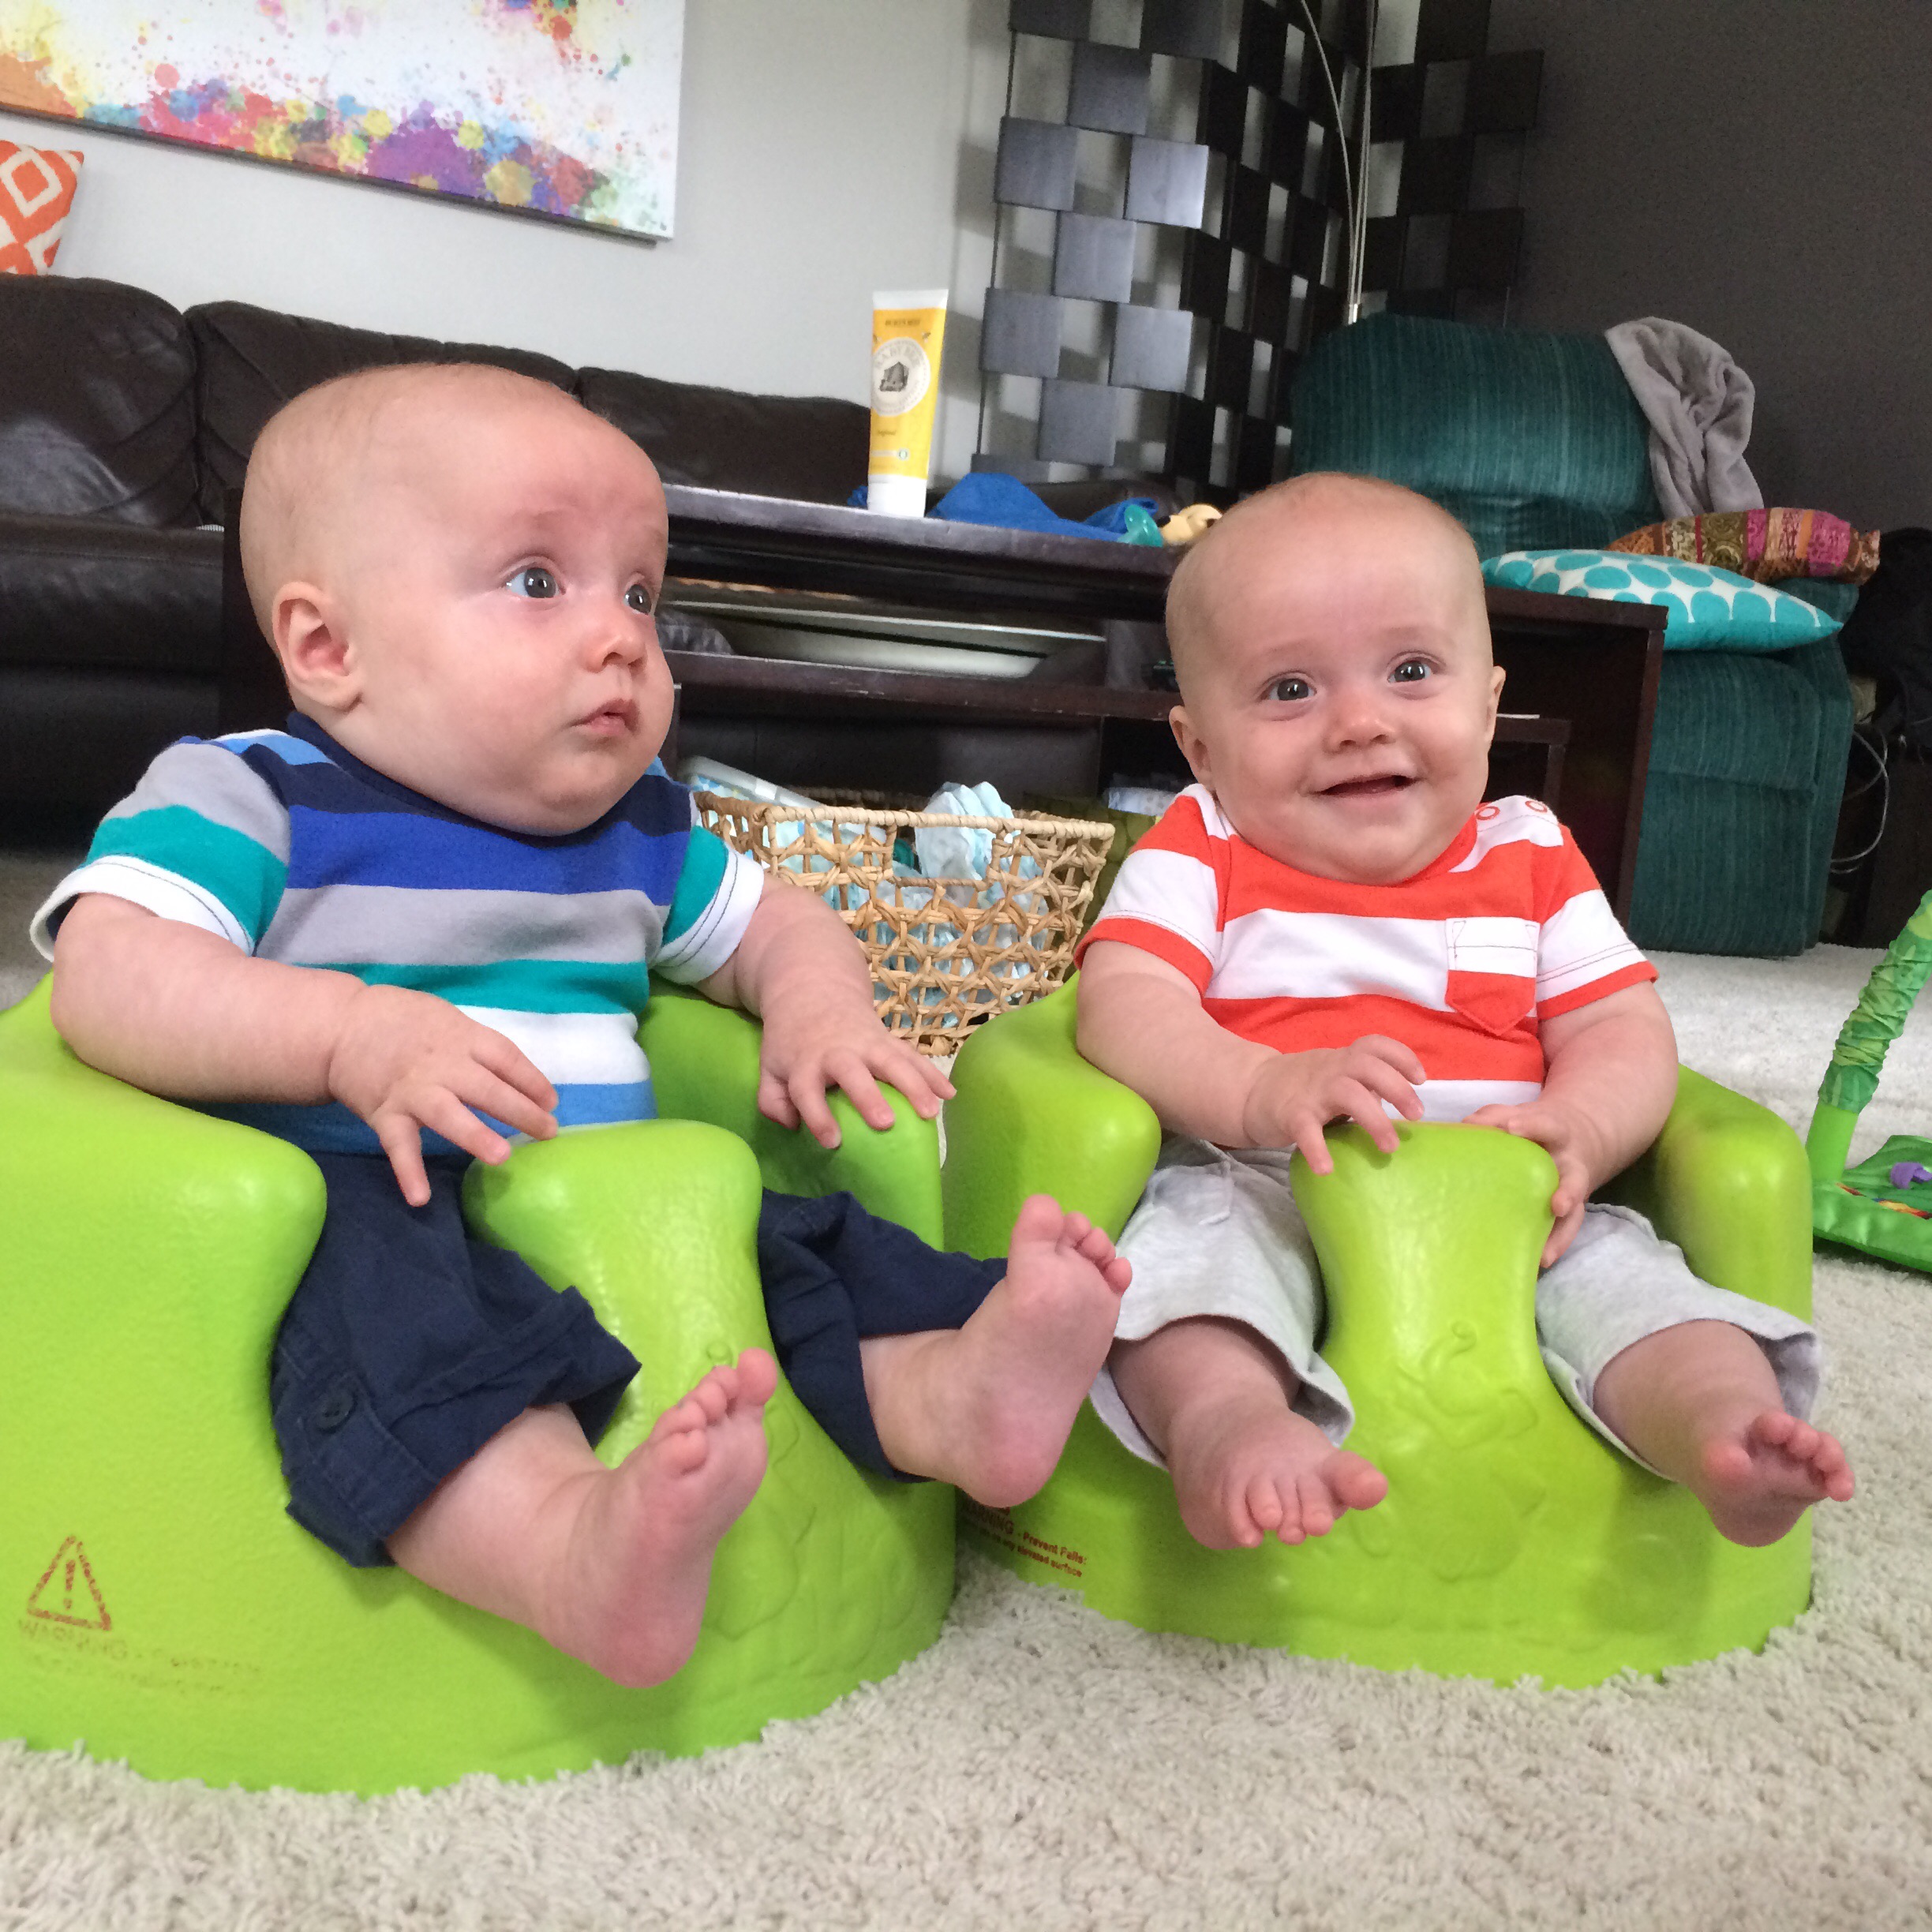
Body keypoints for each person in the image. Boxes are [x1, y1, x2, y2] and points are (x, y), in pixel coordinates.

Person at [34, 363, 1131, 1688]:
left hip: (621, 1199)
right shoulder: (255, 799)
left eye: (641, 594)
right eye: (538, 581)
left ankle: (952, 1396)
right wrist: (344, 1039)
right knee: (402, 1345)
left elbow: (781, 923)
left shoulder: (641, 832)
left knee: (807, 1244)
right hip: (376, 1195)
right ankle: (563, 1549)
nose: (620, 637)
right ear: (328, 649)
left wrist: (818, 1008)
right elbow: (108, 971)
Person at [1073, 472, 1855, 1556]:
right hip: (1264, 1182)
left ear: (1488, 705)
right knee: (1185, 1283)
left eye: (1409, 671)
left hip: (1517, 1201)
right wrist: (1259, 1086)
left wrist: (1583, 1130)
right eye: (1291, 690)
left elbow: (1619, 1028)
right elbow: (1121, 1003)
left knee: (1641, 1290)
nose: (1359, 724)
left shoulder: (1530, 851)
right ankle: (1228, 1432)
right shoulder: (1201, 842)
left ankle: (1723, 1432)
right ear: (1201, 747)